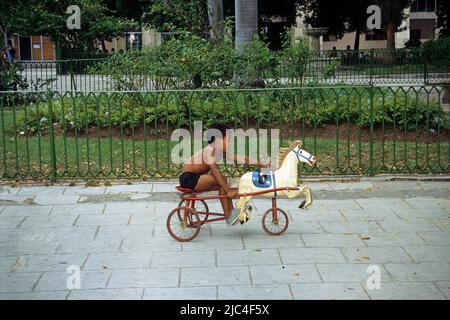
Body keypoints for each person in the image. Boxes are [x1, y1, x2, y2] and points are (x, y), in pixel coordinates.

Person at [179, 123, 270, 225]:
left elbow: (242, 159)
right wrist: (228, 191)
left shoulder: (220, 151)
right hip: (188, 179)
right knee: (221, 181)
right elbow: (215, 172)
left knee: (222, 183)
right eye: (228, 140)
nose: (230, 143)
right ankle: (229, 214)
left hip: (196, 177)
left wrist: (261, 164)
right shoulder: (209, 151)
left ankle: (231, 213)